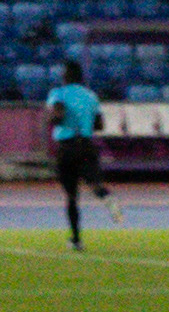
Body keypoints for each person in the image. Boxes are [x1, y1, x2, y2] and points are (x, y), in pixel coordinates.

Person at [45, 60, 117, 248]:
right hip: (86, 144)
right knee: (93, 182)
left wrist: (52, 118)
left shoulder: (58, 93)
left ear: (66, 75)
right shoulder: (91, 96)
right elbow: (99, 124)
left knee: (71, 196)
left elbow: (58, 115)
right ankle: (105, 195)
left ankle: (76, 239)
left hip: (67, 146)